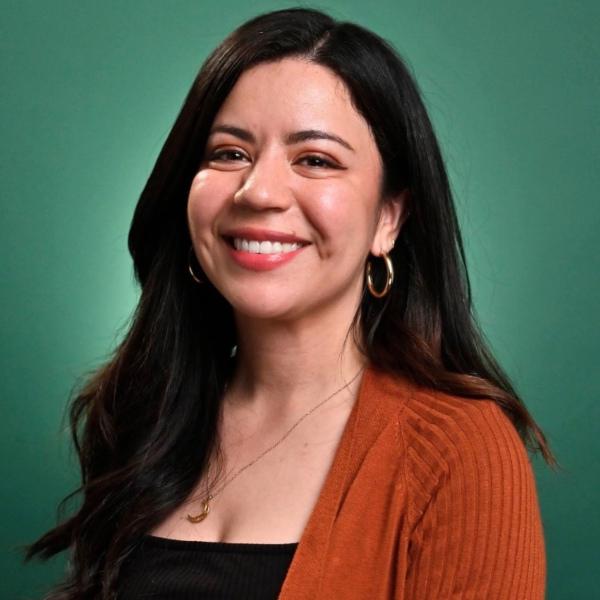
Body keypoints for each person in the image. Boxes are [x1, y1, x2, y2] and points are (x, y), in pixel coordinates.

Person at [27, 7, 556, 599]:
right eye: (229, 153)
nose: (258, 191)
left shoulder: (459, 452)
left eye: (315, 160)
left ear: (389, 218)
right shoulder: (145, 414)